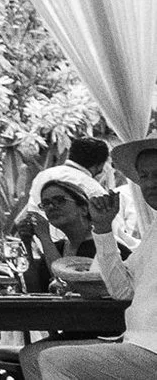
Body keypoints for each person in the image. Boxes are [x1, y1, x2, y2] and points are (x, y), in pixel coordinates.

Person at [20, 137, 157, 380]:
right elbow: (121, 290)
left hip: (150, 348)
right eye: (144, 176)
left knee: (54, 360)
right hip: (136, 342)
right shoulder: (153, 231)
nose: (150, 183)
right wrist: (103, 230)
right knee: (33, 357)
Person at [18, 180, 117, 294]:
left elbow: (68, 287)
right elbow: (34, 291)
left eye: (59, 200)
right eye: (45, 203)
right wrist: (27, 244)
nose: (51, 207)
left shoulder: (102, 246)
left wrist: (45, 237)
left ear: (84, 209)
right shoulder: (58, 248)